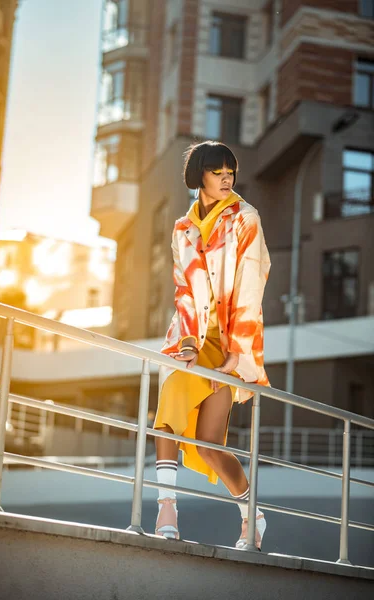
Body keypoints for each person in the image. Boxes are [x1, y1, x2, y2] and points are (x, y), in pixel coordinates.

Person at [153, 140, 271, 550]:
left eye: (231, 172)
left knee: (209, 446)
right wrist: (185, 342)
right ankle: (167, 509)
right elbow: (183, 288)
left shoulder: (245, 218)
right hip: (189, 339)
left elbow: (250, 287)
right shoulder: (183, 228)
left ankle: (252, 516)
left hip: (228, 344)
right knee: (165, 416)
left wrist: (237, 354)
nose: (226, 178)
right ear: (199, 175)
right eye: (217, 171)